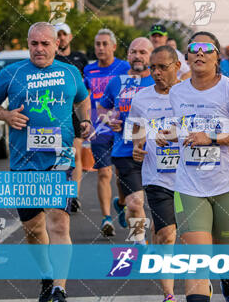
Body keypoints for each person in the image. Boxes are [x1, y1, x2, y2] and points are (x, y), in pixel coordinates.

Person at [0, 22, 91, 302]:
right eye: (34, 44)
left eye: (45, 44)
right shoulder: (12, 73)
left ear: (56, 44)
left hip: (60, 159)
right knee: (33, 231)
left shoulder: (70, 72)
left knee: (59, 223)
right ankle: (47, 277)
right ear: (28, 44)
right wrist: (6, 116)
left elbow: (83, 99)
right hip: (24, 163)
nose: (39, 49)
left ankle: (59, 288)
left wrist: (87, 120)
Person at [157, 31, 229, 302]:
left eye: (207, 48)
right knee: (197, 263)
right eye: (194, 48)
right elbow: (183, 125)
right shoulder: (177, 92)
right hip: (190, 186)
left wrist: (214, 137)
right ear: (187, 56)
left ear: (217, 57)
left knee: (227, 260)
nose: (200, 52)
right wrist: (167, 133)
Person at [129, 45, 181, 302]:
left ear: (177, 67)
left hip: (192, 177)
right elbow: (136, 131)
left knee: (194, 237)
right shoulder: (141, 98)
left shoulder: (190, 95)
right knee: (166, 234)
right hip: (157, 176)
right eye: (153, 68)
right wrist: (138, 147)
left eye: (163, 67)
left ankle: (200, 284)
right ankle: (169, 295)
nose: (156, 72)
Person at [100, 38, 155, 244]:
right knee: (135, 203)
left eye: (143, 52)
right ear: (127, 55)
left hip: (157, 152)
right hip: (125, 151)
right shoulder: (117, 82)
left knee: (154, 204)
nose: (138, 56)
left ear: (151, 55)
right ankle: (139, 242)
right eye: (133, 52)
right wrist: (109, 118)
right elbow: (103, 107)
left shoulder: (159, 82)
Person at [83, 29, 130, 235]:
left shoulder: (124, 67)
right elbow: (85, 98)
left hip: (122, 129)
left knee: (120, 174)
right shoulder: (89, 70)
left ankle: (120, 203)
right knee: (104, 173)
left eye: (104, 44)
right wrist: (87, 121)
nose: (100, 48)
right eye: (97, 44)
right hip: (99, 130)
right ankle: (106, 218)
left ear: (113, 46)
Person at [54, 23, 89, 213]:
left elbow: (88, 87)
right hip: (57, 111)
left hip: (75, 111)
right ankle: (59, 190)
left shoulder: (80, 58)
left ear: (70, 36)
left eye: (64, 34)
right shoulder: (50, 58)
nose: (61, 37)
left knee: (74, 153)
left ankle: (73, 194)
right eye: (57, 34)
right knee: (59, 154)